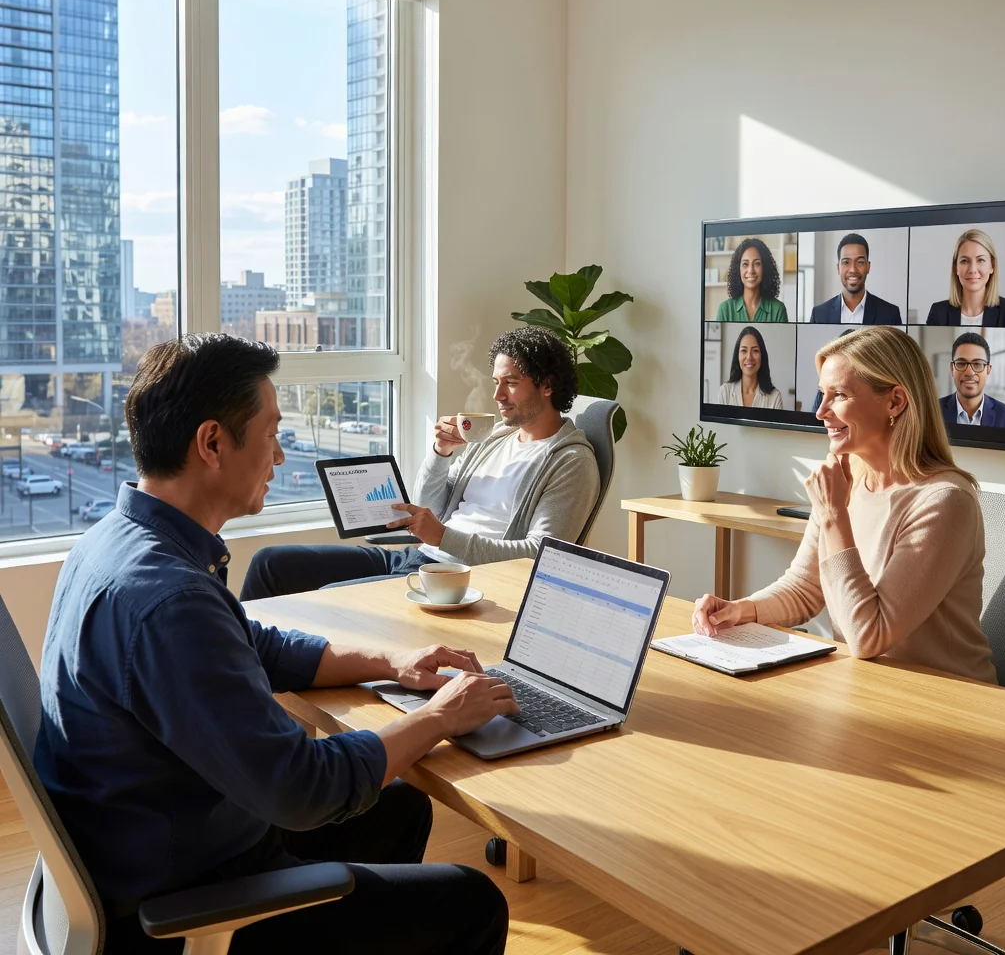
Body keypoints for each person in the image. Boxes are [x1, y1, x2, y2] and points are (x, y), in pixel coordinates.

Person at [35, 334, 517, 955]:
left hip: (154, 837)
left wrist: (393, 662)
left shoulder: (122, 541)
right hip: (179, 900)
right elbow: (304, 787)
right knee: (471, 903)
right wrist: (441, 717)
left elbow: (253, 645)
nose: (281, 455)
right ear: (212, 443)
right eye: (271, 434)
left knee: (401, 808)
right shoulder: (170, 600)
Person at [694, 325, 996, 684]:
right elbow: (804, 587)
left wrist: (833, 514)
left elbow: (869, 636)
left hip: (948, 700)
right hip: (869, 687)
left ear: (895, 402)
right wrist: (740, 610)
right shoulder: (846, 477)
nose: (821, 411)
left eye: (838, 395)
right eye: (822, 394)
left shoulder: (945, 501)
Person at [241, 326, 600, 600]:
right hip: (420, 557)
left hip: (457, 579)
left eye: (511, 383)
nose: (497, 395)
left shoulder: (571, 462)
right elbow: (431, 506)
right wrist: (440, 453)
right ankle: (239, 674)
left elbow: (539, 555)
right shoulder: (494, 438)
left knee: (328, 597)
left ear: (547, 385)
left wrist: (443, 536)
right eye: (495, 382)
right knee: (270, 563)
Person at [926, 228, 1005, 327]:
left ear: (992, 266)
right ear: (956, 268)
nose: (972, 270)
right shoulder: (937, 313)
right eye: (964, 261)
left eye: (981, 260)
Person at [808, 233, 903, 325]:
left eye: (860, 262)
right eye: (846, 262)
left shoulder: (890, 314)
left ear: (868, 267)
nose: (853, 270)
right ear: (838, 268)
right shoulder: (819, 315)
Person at [939, 331, 1005, 429]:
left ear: (988, 369)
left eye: (977, 364)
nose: (969, 372)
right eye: (961, 363)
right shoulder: (932, 410)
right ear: (952, 368)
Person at [714, 238, 789, 322]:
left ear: (765, 268)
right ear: (738, 269)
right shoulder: (725, 309)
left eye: (757, 264)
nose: (751, 270)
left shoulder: (778, 310)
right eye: (745, 264)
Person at [717, 325, 784, 409]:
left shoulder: (775, 397)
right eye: (744, 350)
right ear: (737, 355)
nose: (749, 357)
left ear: (762, 356)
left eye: (755, 351)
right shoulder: (725, 392)